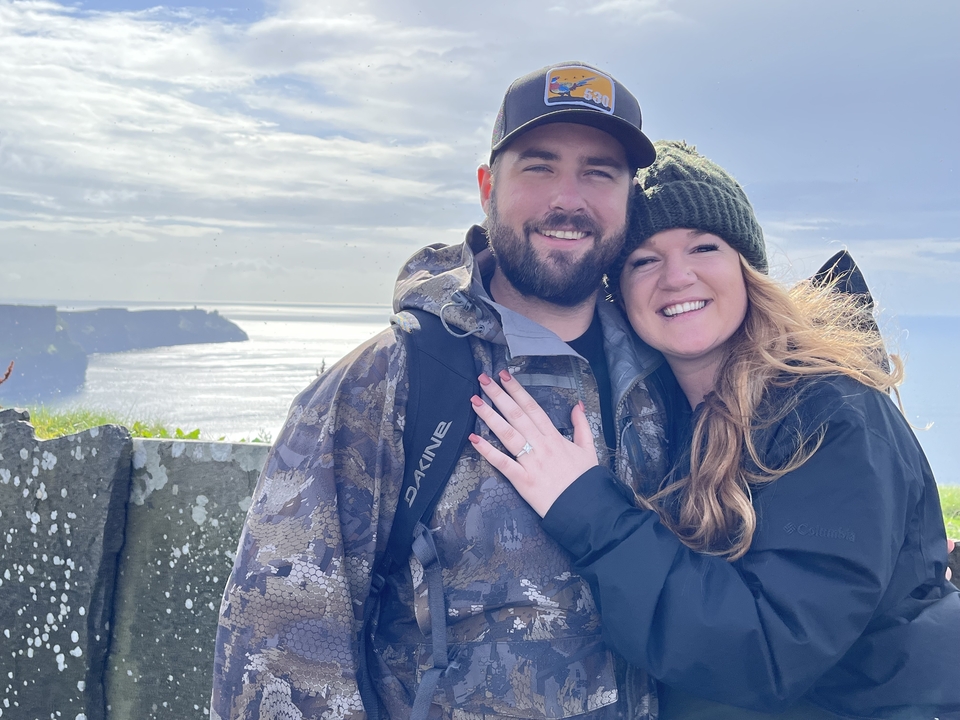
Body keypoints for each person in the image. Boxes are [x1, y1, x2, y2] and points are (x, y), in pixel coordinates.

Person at [211, 63, 675, 720]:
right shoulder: (385, 382)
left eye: (599, 172)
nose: (568, 199)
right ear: (487, 187)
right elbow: (278, 658)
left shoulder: (660, 380)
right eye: (538, 167)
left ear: (629, 196)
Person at [469, 141, 960, 718]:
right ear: (618, 295)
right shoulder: (666, 420)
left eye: (705, 246)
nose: (678, 276)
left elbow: (769, 651)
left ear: (748, 269)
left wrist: (587, 509)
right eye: (644, 260)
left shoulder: (831, 415)